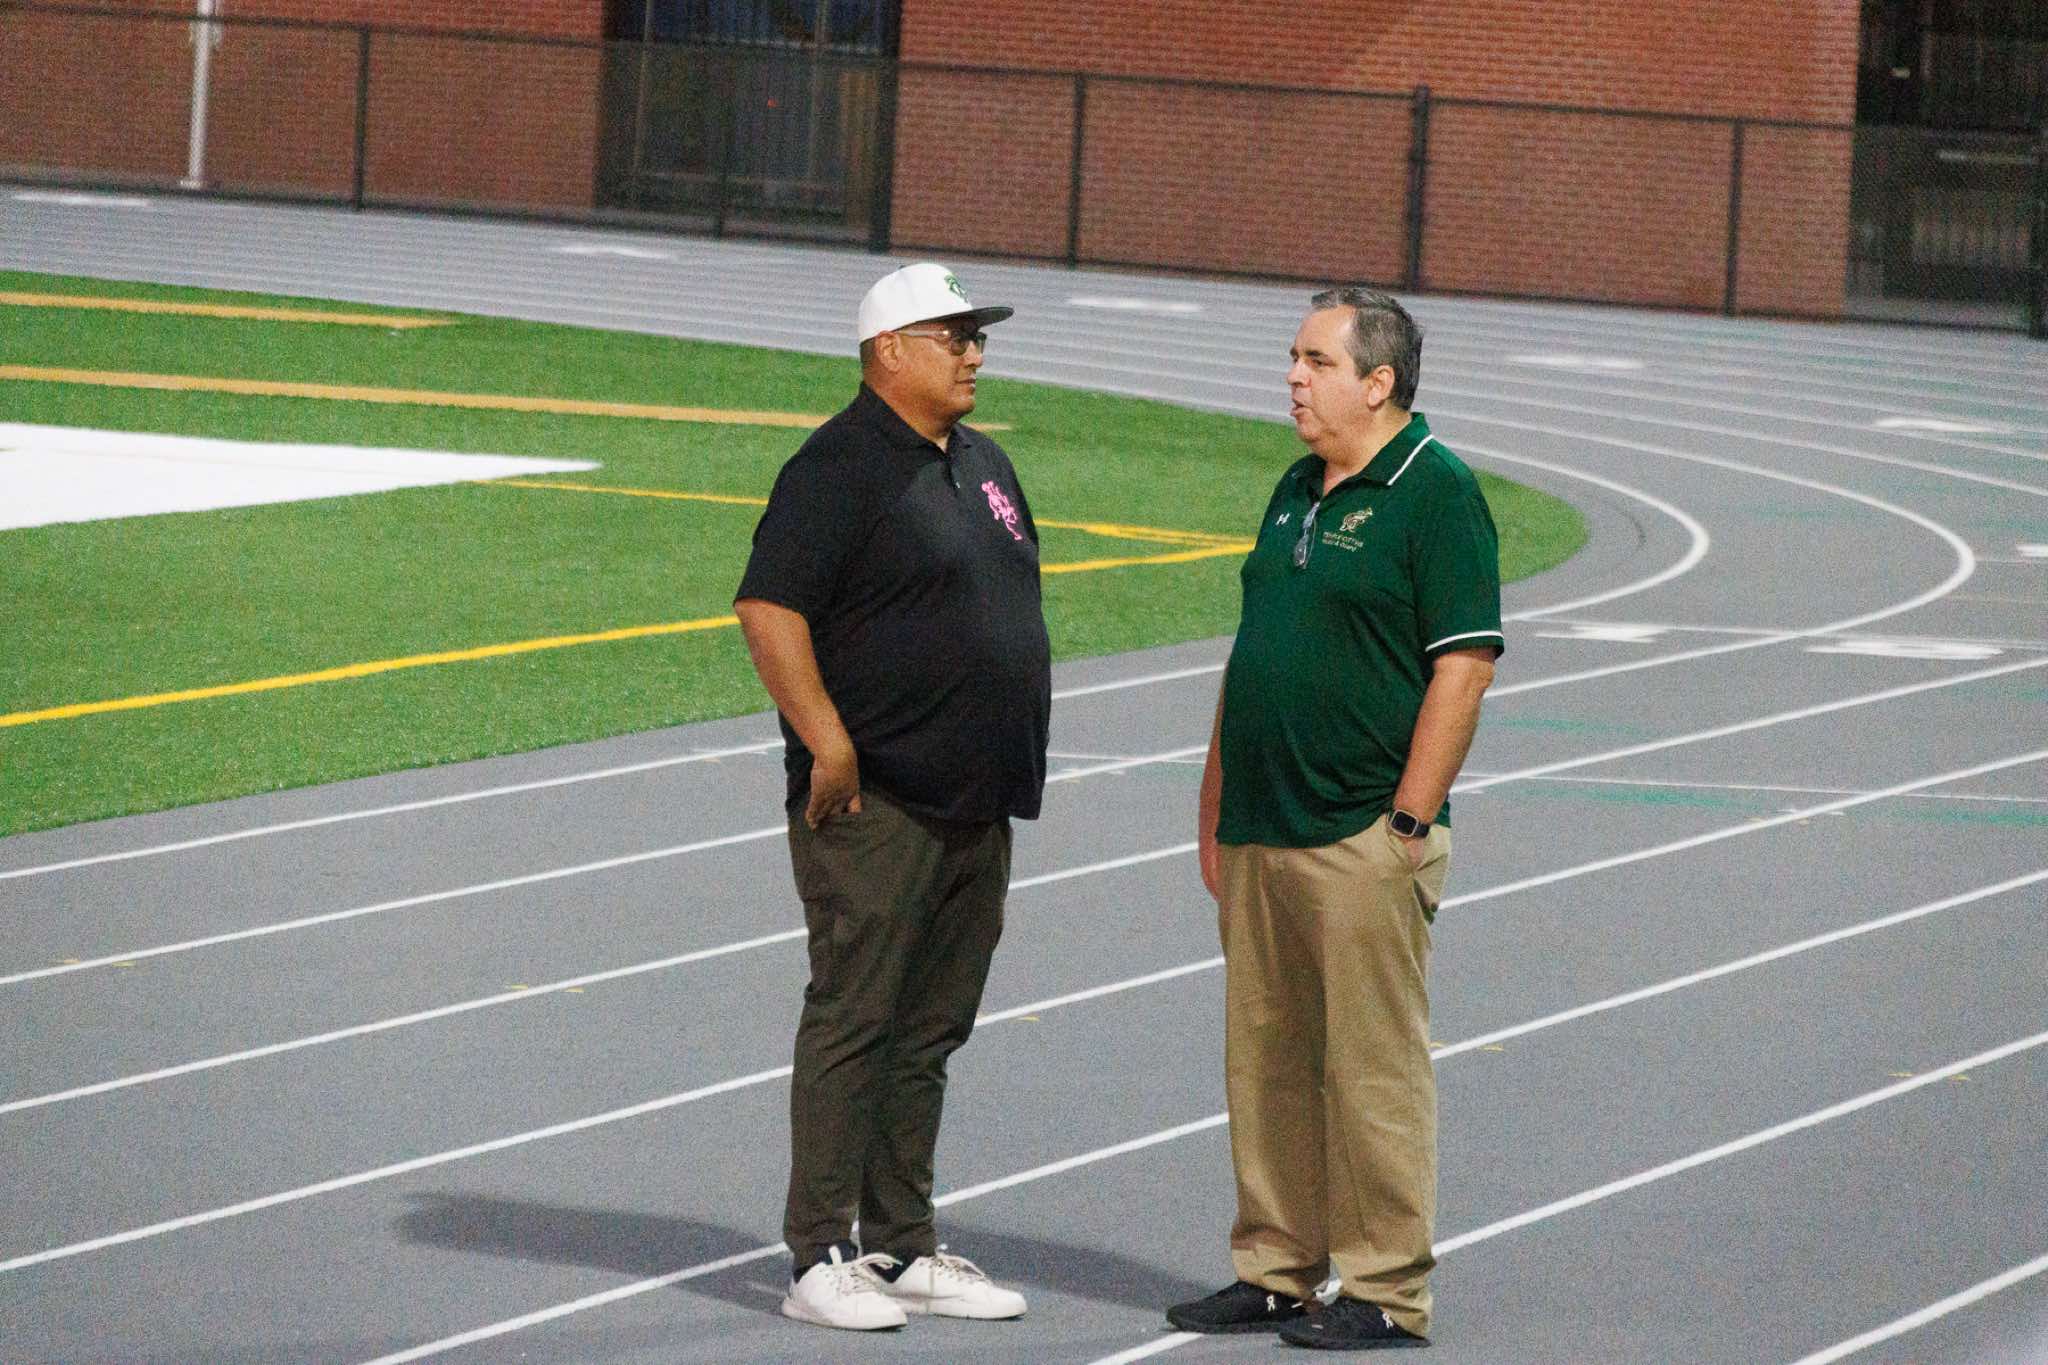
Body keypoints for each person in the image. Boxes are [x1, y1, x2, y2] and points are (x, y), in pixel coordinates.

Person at [1168, 287, 1503, 1351]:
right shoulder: (1293, 486)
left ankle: (1386, 1287)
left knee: (1370, 1071)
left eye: (1315, 361)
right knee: (1265, 1062)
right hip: (1261, 825)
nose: (1293, 378)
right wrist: (1216, 805)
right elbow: (1255, 647)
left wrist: (1406, 823)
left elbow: (1462, 669)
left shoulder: (1438, 492)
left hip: (1362, 830)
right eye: (1294, 357)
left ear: (1378, 382)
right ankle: (1276, 1267)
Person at [734, 261, 1051, 1332]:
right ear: (888, 353)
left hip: (976, 798)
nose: (974, 353)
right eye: (953, 337)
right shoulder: (837, 467)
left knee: (928, 1030)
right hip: (881, 804)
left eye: (976, 336)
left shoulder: (982, 461)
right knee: (856, 1018)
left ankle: (901, 1243)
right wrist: (826, 740)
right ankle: (818, 1252)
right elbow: (769, 607)